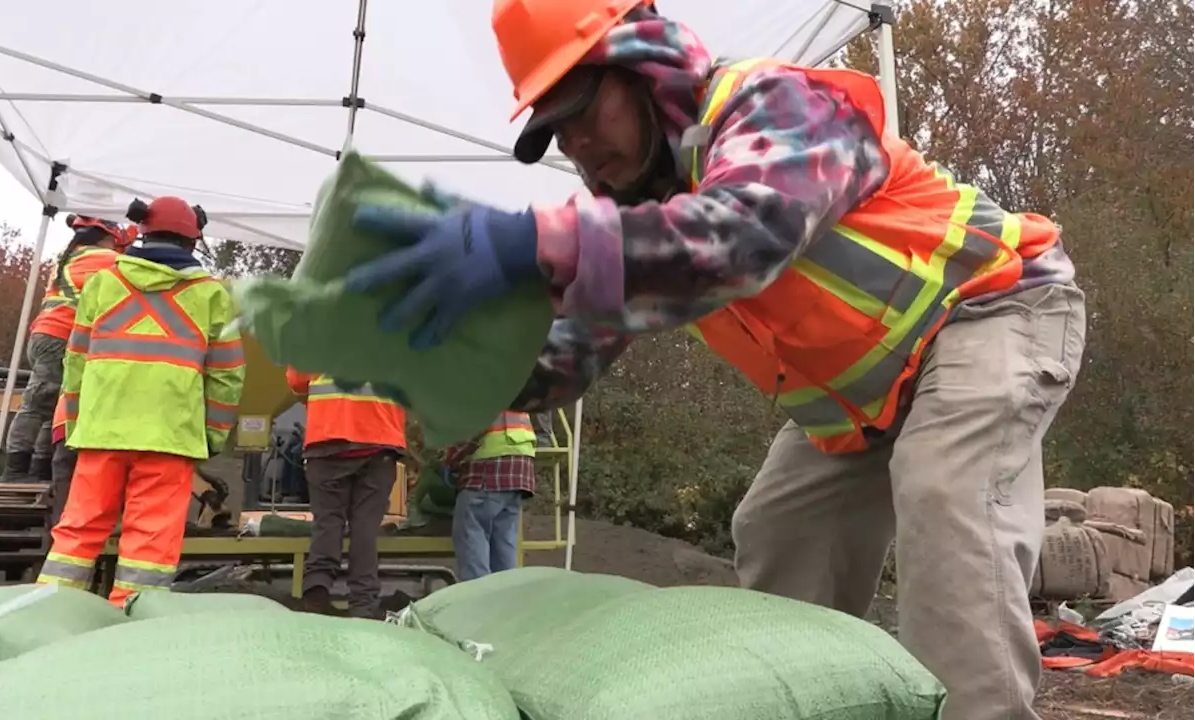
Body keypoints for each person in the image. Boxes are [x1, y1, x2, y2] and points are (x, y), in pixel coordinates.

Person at [339, 2, 1086, 718]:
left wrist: (526, 247)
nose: (578, 147)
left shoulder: (772, 105)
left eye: (581, 111)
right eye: (555, 133)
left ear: (641, 67)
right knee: (778, 534)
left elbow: (743, 234)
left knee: (943, 496)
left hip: (991, 308)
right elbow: (574, 351)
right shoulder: (638, 222)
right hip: (871, 394)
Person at [37, 196, 245, 608]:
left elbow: (75, 361)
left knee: (76, 536)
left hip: (101, 433)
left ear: (142, 233)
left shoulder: (104, 283)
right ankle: (129, 630)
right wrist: (210, 436)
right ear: (192, 240)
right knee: (147, 551)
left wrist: (77, 424)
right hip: (169, 438)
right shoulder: (211, 295)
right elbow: (227, 376)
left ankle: (46, 619)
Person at [2, 215, 136, 483]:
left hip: (49, 335)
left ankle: (38, 468)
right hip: (60, 337)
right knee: (38, 403)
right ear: (108, 237)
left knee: (53, 406)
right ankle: (15, 470)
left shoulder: (73, 256)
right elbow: (136, 269)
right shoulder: (99, 257)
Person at [284, 370, 406, 619]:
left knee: (327, 521)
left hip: (326, 436)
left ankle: (317, 590)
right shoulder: (397, 331)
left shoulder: (311, 330)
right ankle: (363, 602)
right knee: (365, 527)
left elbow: (297, 381)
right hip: (378, 437)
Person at [442, 411, 536, 581]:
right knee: (504, 539)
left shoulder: (475, 387)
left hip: (491, 463)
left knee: (471, 529)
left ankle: (477, 598)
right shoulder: (511, 385)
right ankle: (505, 599)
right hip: (520, 465)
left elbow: (471, 431)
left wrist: (451, 459)